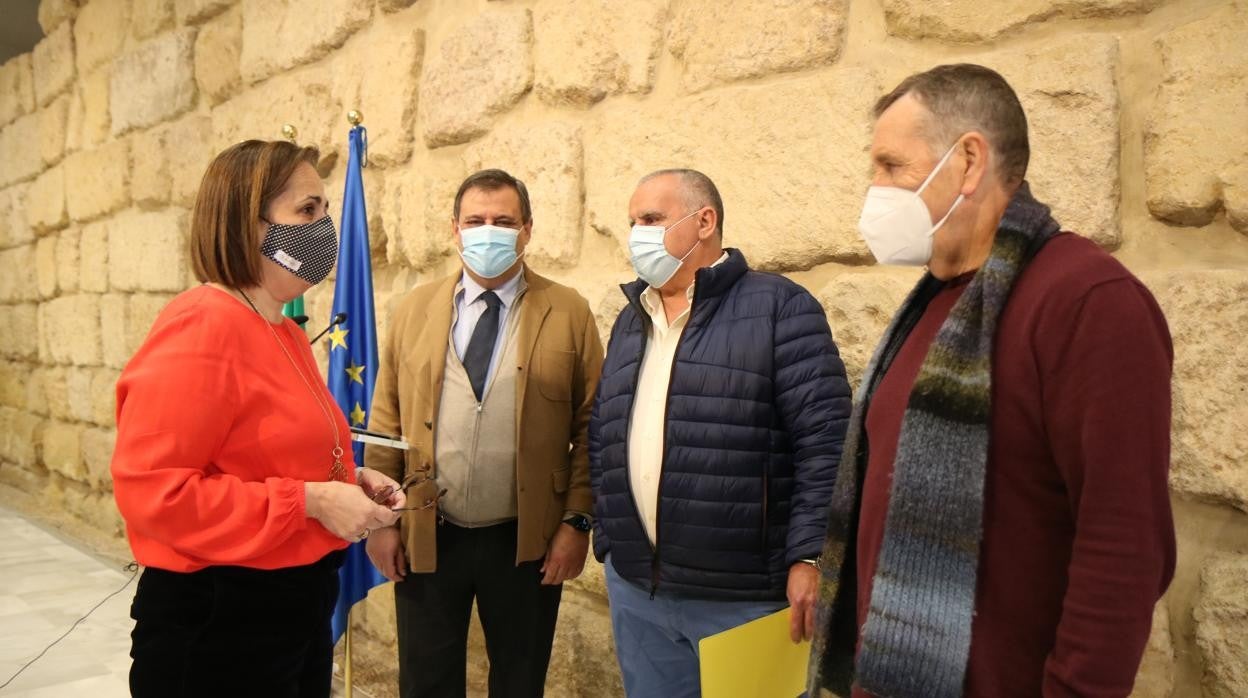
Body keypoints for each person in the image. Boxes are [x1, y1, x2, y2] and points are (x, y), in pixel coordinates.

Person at [807, 64, 1176, 698]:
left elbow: (1124, 546)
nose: (875, 188)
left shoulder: (1087, 301)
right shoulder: (936, 305)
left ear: (970, 160)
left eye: (891, 166)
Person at [111, 139, 406, 697]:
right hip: (221, 623)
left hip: (294, 610)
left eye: (324, 209)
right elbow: (155, 495)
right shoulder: (202, 326)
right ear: (248, 227)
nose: (325, 228)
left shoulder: (285, 330)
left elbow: (272, 455)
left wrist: (351, 482)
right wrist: (313, 502)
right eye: (307, 212)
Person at [590, 168, 851, 697]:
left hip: (744, 596)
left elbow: (826, 443)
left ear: (704, 221)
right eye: (632, 221)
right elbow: (603, 434)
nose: (637, 233)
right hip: (639, 592)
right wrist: (610, 542)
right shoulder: (630, 318)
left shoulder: (779, 307)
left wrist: (811, 557)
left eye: (651, 219)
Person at [364, 169, 604, 698]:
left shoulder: (569, 312)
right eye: (475, 221)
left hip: (526, 541)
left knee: (520, 682)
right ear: (454, 229)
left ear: (527, 231)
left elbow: (593, 429)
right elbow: (386, 422)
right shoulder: (414, 310)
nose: (488, 232)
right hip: (429, 532)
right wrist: (380, 523)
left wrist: (577, 523)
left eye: (504, 221)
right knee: (426, 682)